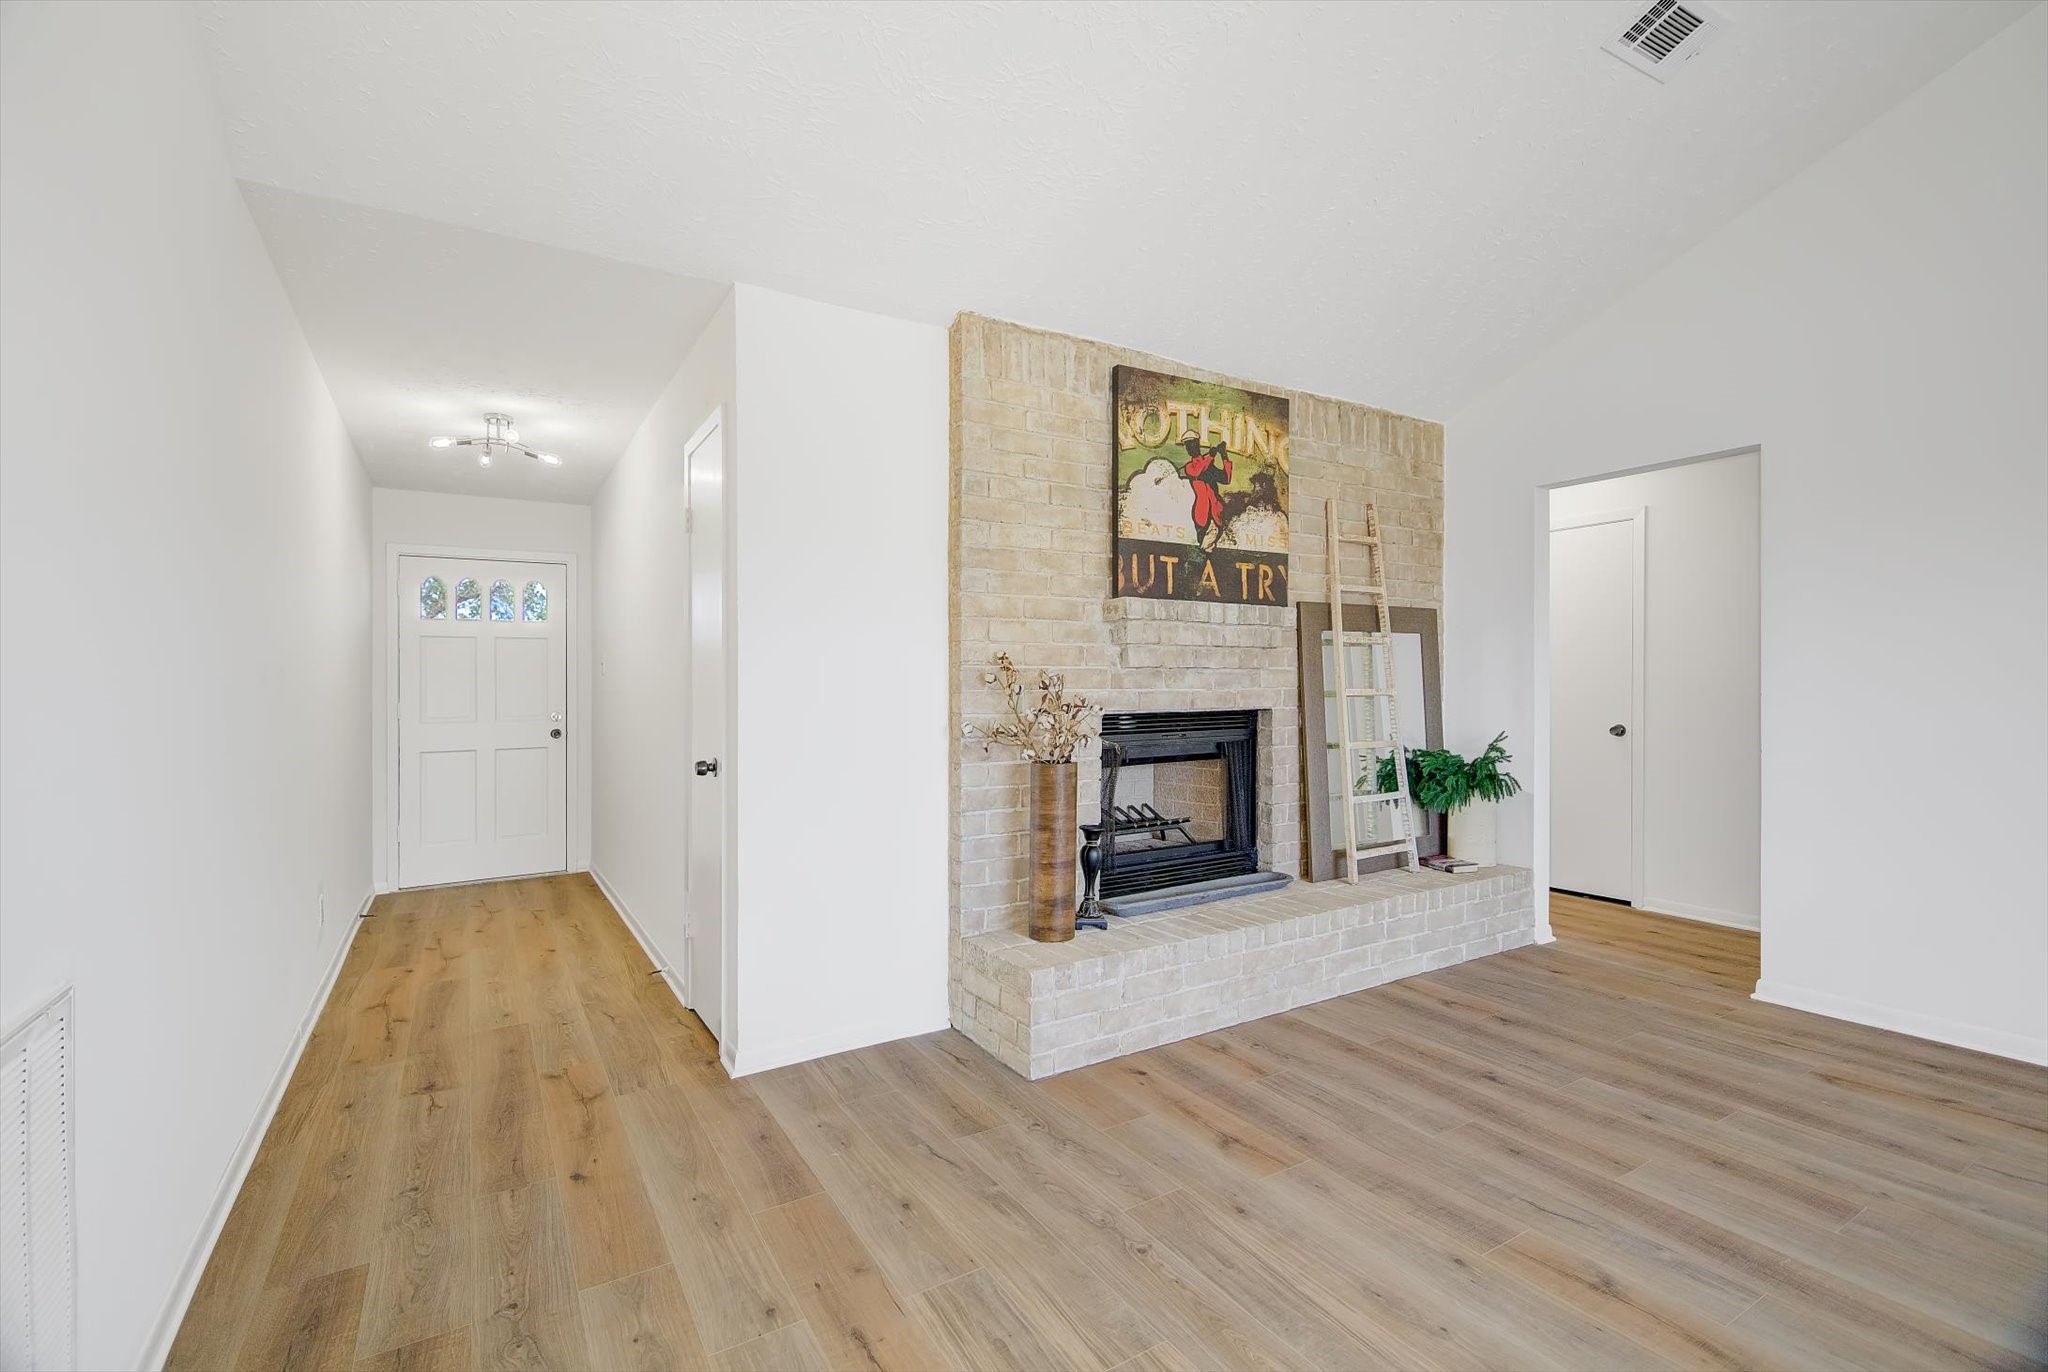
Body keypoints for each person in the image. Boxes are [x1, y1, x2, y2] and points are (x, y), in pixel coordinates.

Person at [1179, 434, 1232, 550]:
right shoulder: (1190, 467)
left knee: (1213, 547)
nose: (1190, 448)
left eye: (1192, 444)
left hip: (1216, 512)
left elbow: (1226, 479)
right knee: (1202, 547)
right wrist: (1210, 456)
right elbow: (1197, 471)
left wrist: (1224, 455)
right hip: (1202, 513)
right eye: (1188, 446)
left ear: (1197, 444)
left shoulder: (1209, 467)